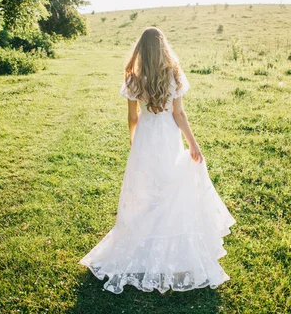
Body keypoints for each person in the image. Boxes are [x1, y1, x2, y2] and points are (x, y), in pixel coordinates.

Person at [79, 27, 235, 294]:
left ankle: (146, 238)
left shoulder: (133, 80)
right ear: (163, 48)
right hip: (167, 139)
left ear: (141, 50)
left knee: (143, 190)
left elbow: (132, 117)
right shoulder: (173, 75)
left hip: (145, 139)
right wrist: (192, 144)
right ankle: (163, 239)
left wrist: (133, 140)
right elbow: (179, 114)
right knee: (167, 186)